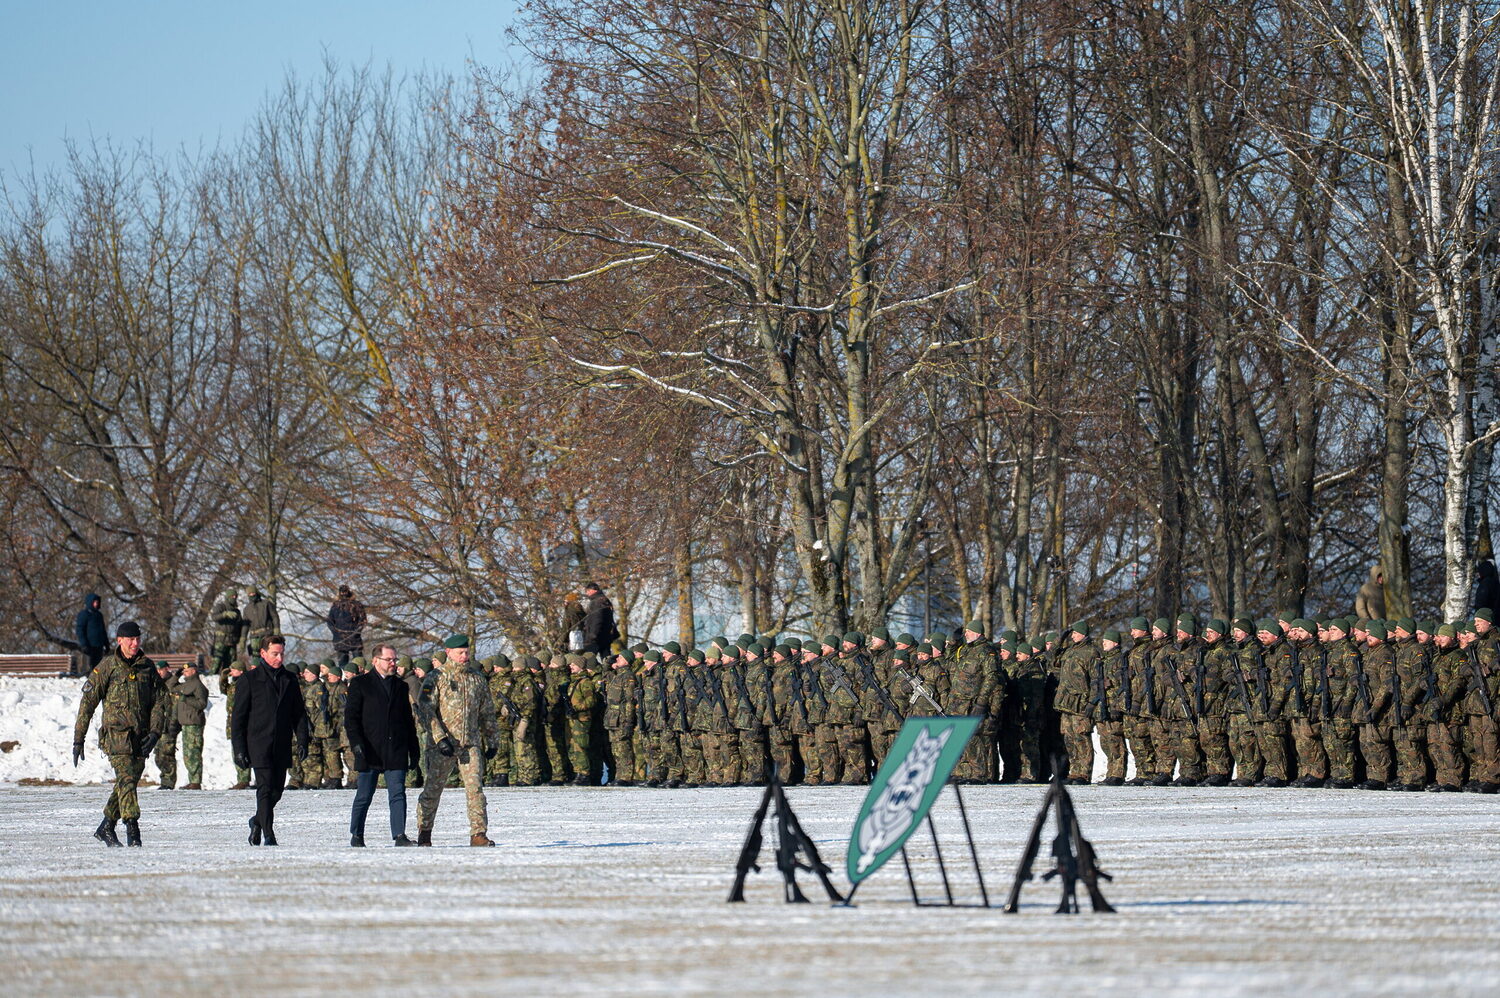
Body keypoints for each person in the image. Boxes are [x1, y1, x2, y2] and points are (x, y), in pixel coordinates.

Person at [72, 621, 170, 847]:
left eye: (138, 639)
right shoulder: (107, 667)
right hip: (116, 738)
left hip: (141, 738)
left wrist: (155, 732)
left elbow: (159, 702)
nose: (135, 644)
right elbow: (87, 704)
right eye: (130, 640)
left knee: (128, 783)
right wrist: (79, 739)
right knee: (126, 779)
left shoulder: (147, 667)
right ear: (119, 641)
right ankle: (133, 831)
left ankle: (106, 826)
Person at [415, 634, 500, 847]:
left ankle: (478, 834)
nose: (464, 656)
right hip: (442, 745)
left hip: (469, 744)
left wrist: (492, 740)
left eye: (466, 652)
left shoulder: (477, 678)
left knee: (475, 789)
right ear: (448, 653)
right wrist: (439, 737)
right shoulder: (437, 677)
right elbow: (426, 709)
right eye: (460, 653)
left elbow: (487, 711)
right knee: (433, 789)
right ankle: (424, 832)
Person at [231, 636, 310, 846]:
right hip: (258, 744)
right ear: (263, 653)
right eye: (275, 653)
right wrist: (238, 749)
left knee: (277, 791)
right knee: (264, 789)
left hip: (281, 744)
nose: (279, 657)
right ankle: (269, 835)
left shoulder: (290, 679)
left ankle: (256, 821)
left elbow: (299, 714)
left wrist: (303, 739)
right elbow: (238, 719)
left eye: (282, 653)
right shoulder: (249, 680)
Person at [344, 645, 419, 847]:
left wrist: (414, 749)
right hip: (370, 749)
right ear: (376, 660)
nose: (394, 663)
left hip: (396, 749)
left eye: (395, 659)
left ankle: (399, 835)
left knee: (397, 793)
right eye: (389, 660)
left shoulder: (401, 686)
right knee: (364, 795)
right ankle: (357, 834)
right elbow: (351, 719)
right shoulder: (360, 684)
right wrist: (357, 745)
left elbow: (407, 721)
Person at [170, 661, 209, 789]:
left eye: (186, 671)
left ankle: (196, 781)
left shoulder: (198, 686)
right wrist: (176, 676)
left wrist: (186, 699)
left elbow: (202, 704)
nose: (184, 673)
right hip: (186, 724)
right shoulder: (186, 685)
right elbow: (170, 687)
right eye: (183, 671)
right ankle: (193, 780)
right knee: (187, 754)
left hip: (194, 724)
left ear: (193, 671)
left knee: (194, 753)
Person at [326, 586, 368, 668]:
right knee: (343, 666)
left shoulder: (356, 605)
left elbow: (362, 620)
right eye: (342, 592)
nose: (344, 593)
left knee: (359, 665)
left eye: (345, 591)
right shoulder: (335, 606)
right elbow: (330, 621)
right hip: (341, 640)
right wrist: (336, 634)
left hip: (354, 640)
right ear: (339, 593)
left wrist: (355, 633)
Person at [580, 582, 618, 655]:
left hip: (596, 637)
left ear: (593, 590)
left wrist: (592, 635)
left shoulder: (596, 602)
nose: (587, 593)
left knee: (589, 659)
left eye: (587, 591)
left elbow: (597, 619)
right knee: (606, 658)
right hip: (606, 635)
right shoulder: (605, 600)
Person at [73, 593, 107, 674]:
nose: (96, 604)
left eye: (97, 602)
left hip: (99, 646)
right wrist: (84, 644)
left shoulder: (99, 615)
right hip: (89, 646)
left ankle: (98, 683)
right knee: (89, 667)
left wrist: (106, 644)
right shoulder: (84, 614)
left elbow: (103, 631)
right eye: (94, 602)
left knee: (98, 668)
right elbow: (80, 630)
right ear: (90, 602)